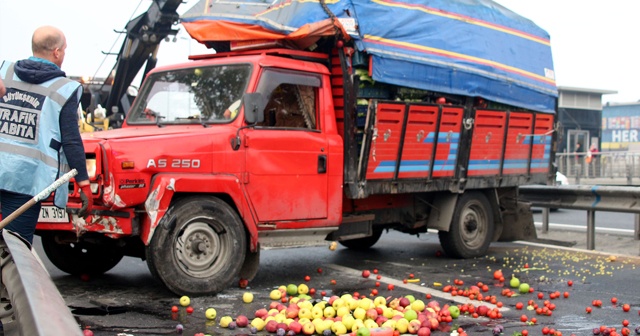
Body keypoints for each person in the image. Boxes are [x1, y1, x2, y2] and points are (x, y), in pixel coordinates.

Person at [0, 26, 92, 246]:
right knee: (15, 250)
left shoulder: (5, 72)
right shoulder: (64, 89)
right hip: (26, 181)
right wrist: (84, 184)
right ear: (57, 52)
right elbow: (70, 140)